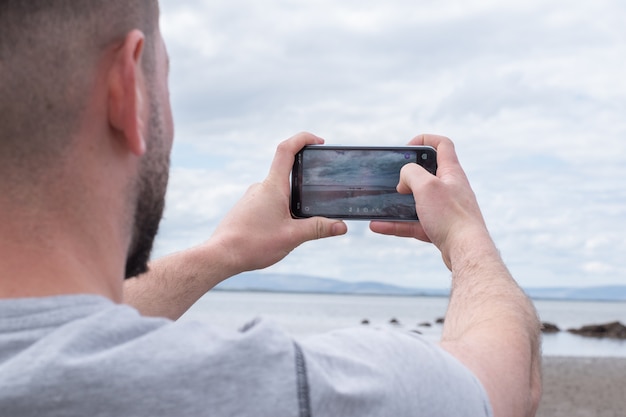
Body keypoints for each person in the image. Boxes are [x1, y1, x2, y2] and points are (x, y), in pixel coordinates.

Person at [0, 1, 541, 416]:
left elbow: (71, 331)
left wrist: (224, 251)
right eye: (165, 76)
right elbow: (505, 384)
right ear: (128, 90)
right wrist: (466, 236)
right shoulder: (278, 388)